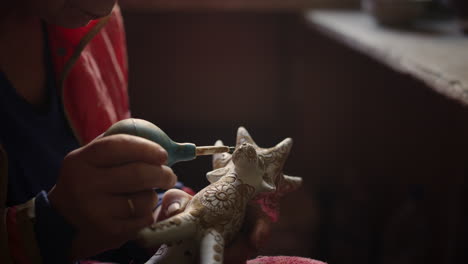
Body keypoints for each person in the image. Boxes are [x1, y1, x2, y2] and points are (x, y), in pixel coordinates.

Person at [0, 1, 322, 264]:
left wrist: (168, 210)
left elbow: (121, 183)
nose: (103, 8)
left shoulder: (90, 23)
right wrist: (46, 229)